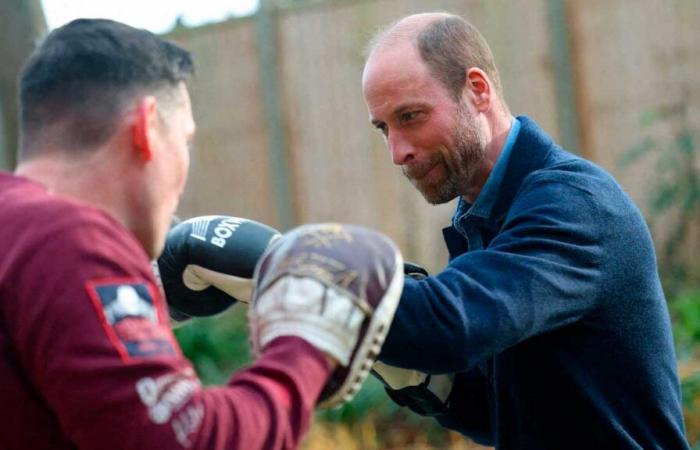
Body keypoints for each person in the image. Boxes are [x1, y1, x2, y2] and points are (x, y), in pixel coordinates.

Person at [0, 18, 403, 450]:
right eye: (186, 140)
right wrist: (307, 343)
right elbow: (189, 441)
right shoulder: (73, 241)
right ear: (146, 128)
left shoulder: (23, 236)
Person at [362, 11, 690, 450]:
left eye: (411, 116)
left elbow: (447, 328)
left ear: (477, 90)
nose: (397, 152)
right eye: (384, 128)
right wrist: (434, 386)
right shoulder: (483, 217)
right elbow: (515, 419)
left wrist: (289, 262)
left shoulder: (573, 205)